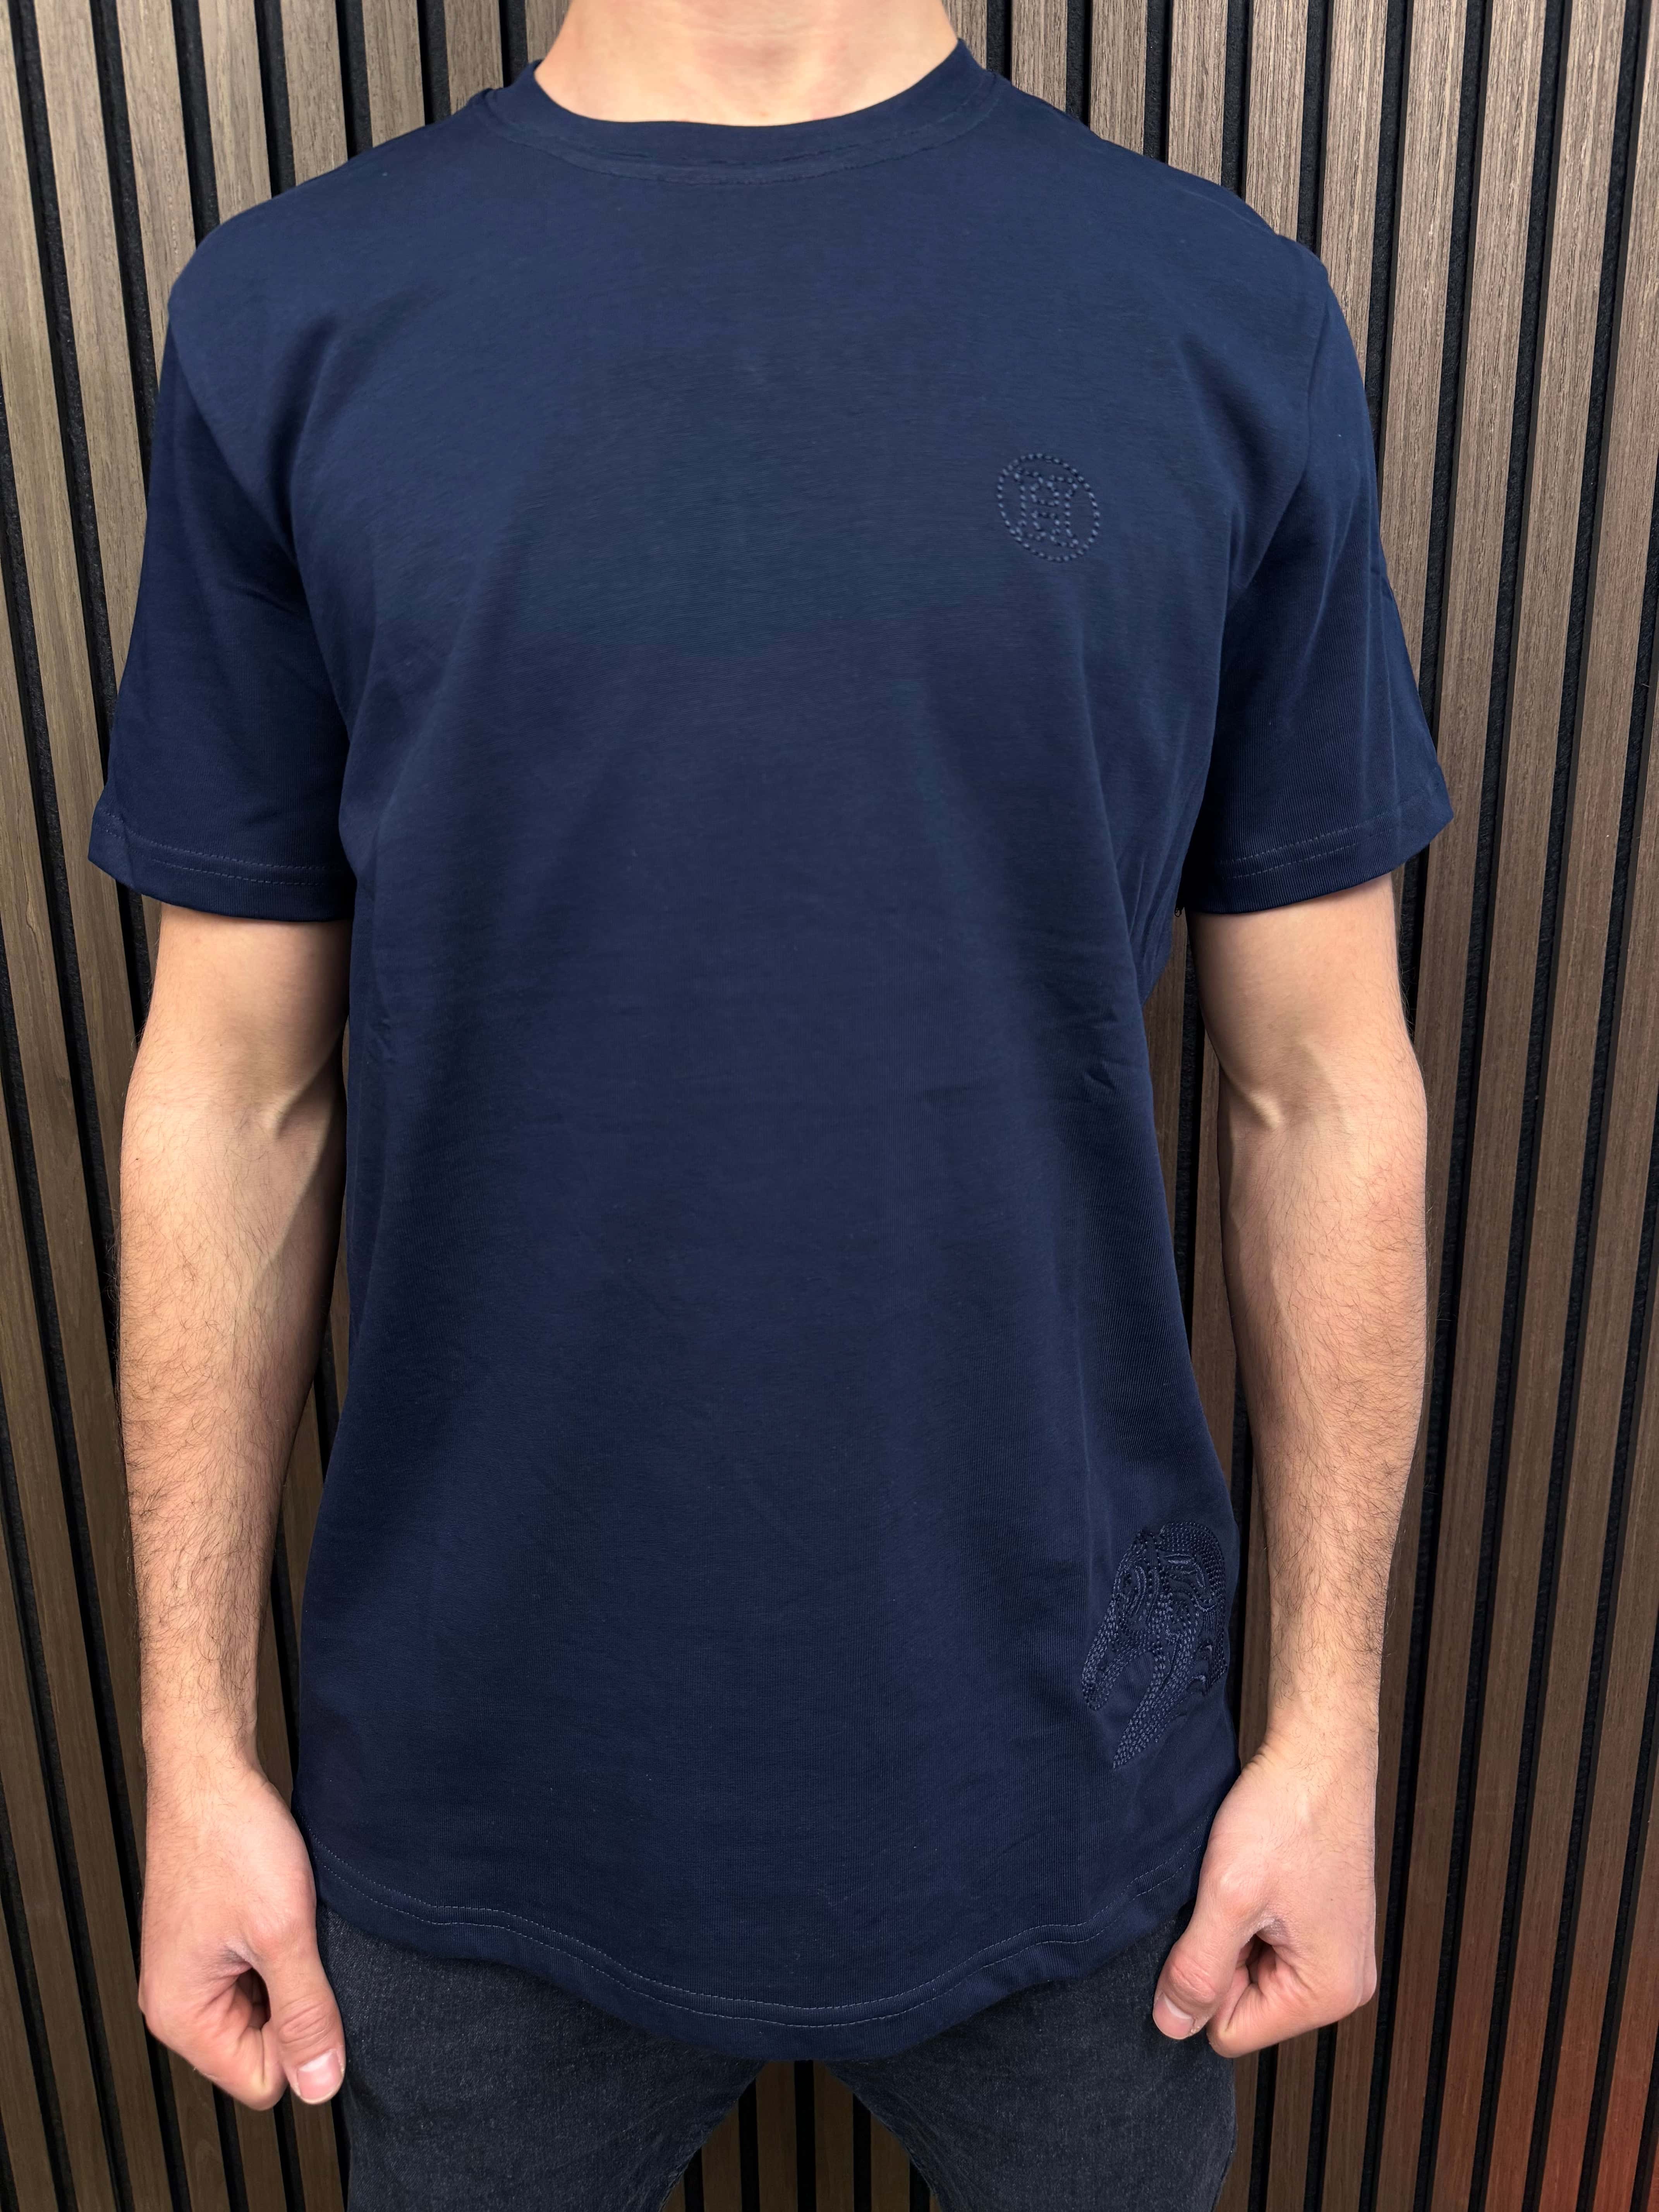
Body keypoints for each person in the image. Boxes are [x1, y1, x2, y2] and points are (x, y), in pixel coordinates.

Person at [89, 0, 1453, 2204]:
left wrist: (1332, 1732)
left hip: (1085, 1808)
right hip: (471, 1816)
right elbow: (232, 1089)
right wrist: (189, 1746)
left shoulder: (1217, 316)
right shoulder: (293, 322)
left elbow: (1322, 1084)